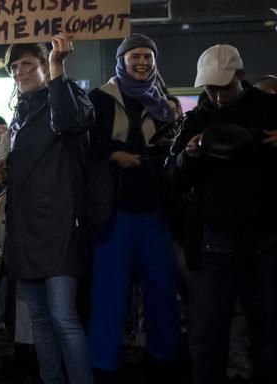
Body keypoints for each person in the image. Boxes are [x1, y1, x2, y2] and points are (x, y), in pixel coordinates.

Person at [166, 44, 277, 384]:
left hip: (264, 240)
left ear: (239, 76)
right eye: (209, 87)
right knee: (207, 336)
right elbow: (173, 175)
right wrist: (188, 154)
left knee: (269, 333)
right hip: (213, 243)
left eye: (222, 86)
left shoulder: (270, 109)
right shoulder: (196, 119)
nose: (215, 95)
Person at [0, 36, 96, 384]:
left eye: (27, 64)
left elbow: (68, 123)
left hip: (60, 227)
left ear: (44, 65)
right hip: (25, 230)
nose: (20, 72)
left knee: (64, 318)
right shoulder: (19, 114)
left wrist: (57, 69)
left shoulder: (67, 97)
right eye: (14, 67)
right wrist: (3, 169)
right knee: (39, 321)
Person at [85, 34, 180, 381]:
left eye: (148, 57)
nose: (142, 63)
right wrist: (113, 154)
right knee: (109, 296)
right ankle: (104, 368)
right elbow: (85, 147)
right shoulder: (100, 98)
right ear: (121, 61)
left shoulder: (166, 103)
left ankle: (165, 363)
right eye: (135, 57)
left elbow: (175, 150)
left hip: (155, 212)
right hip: (114, 212)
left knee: (162, 293)